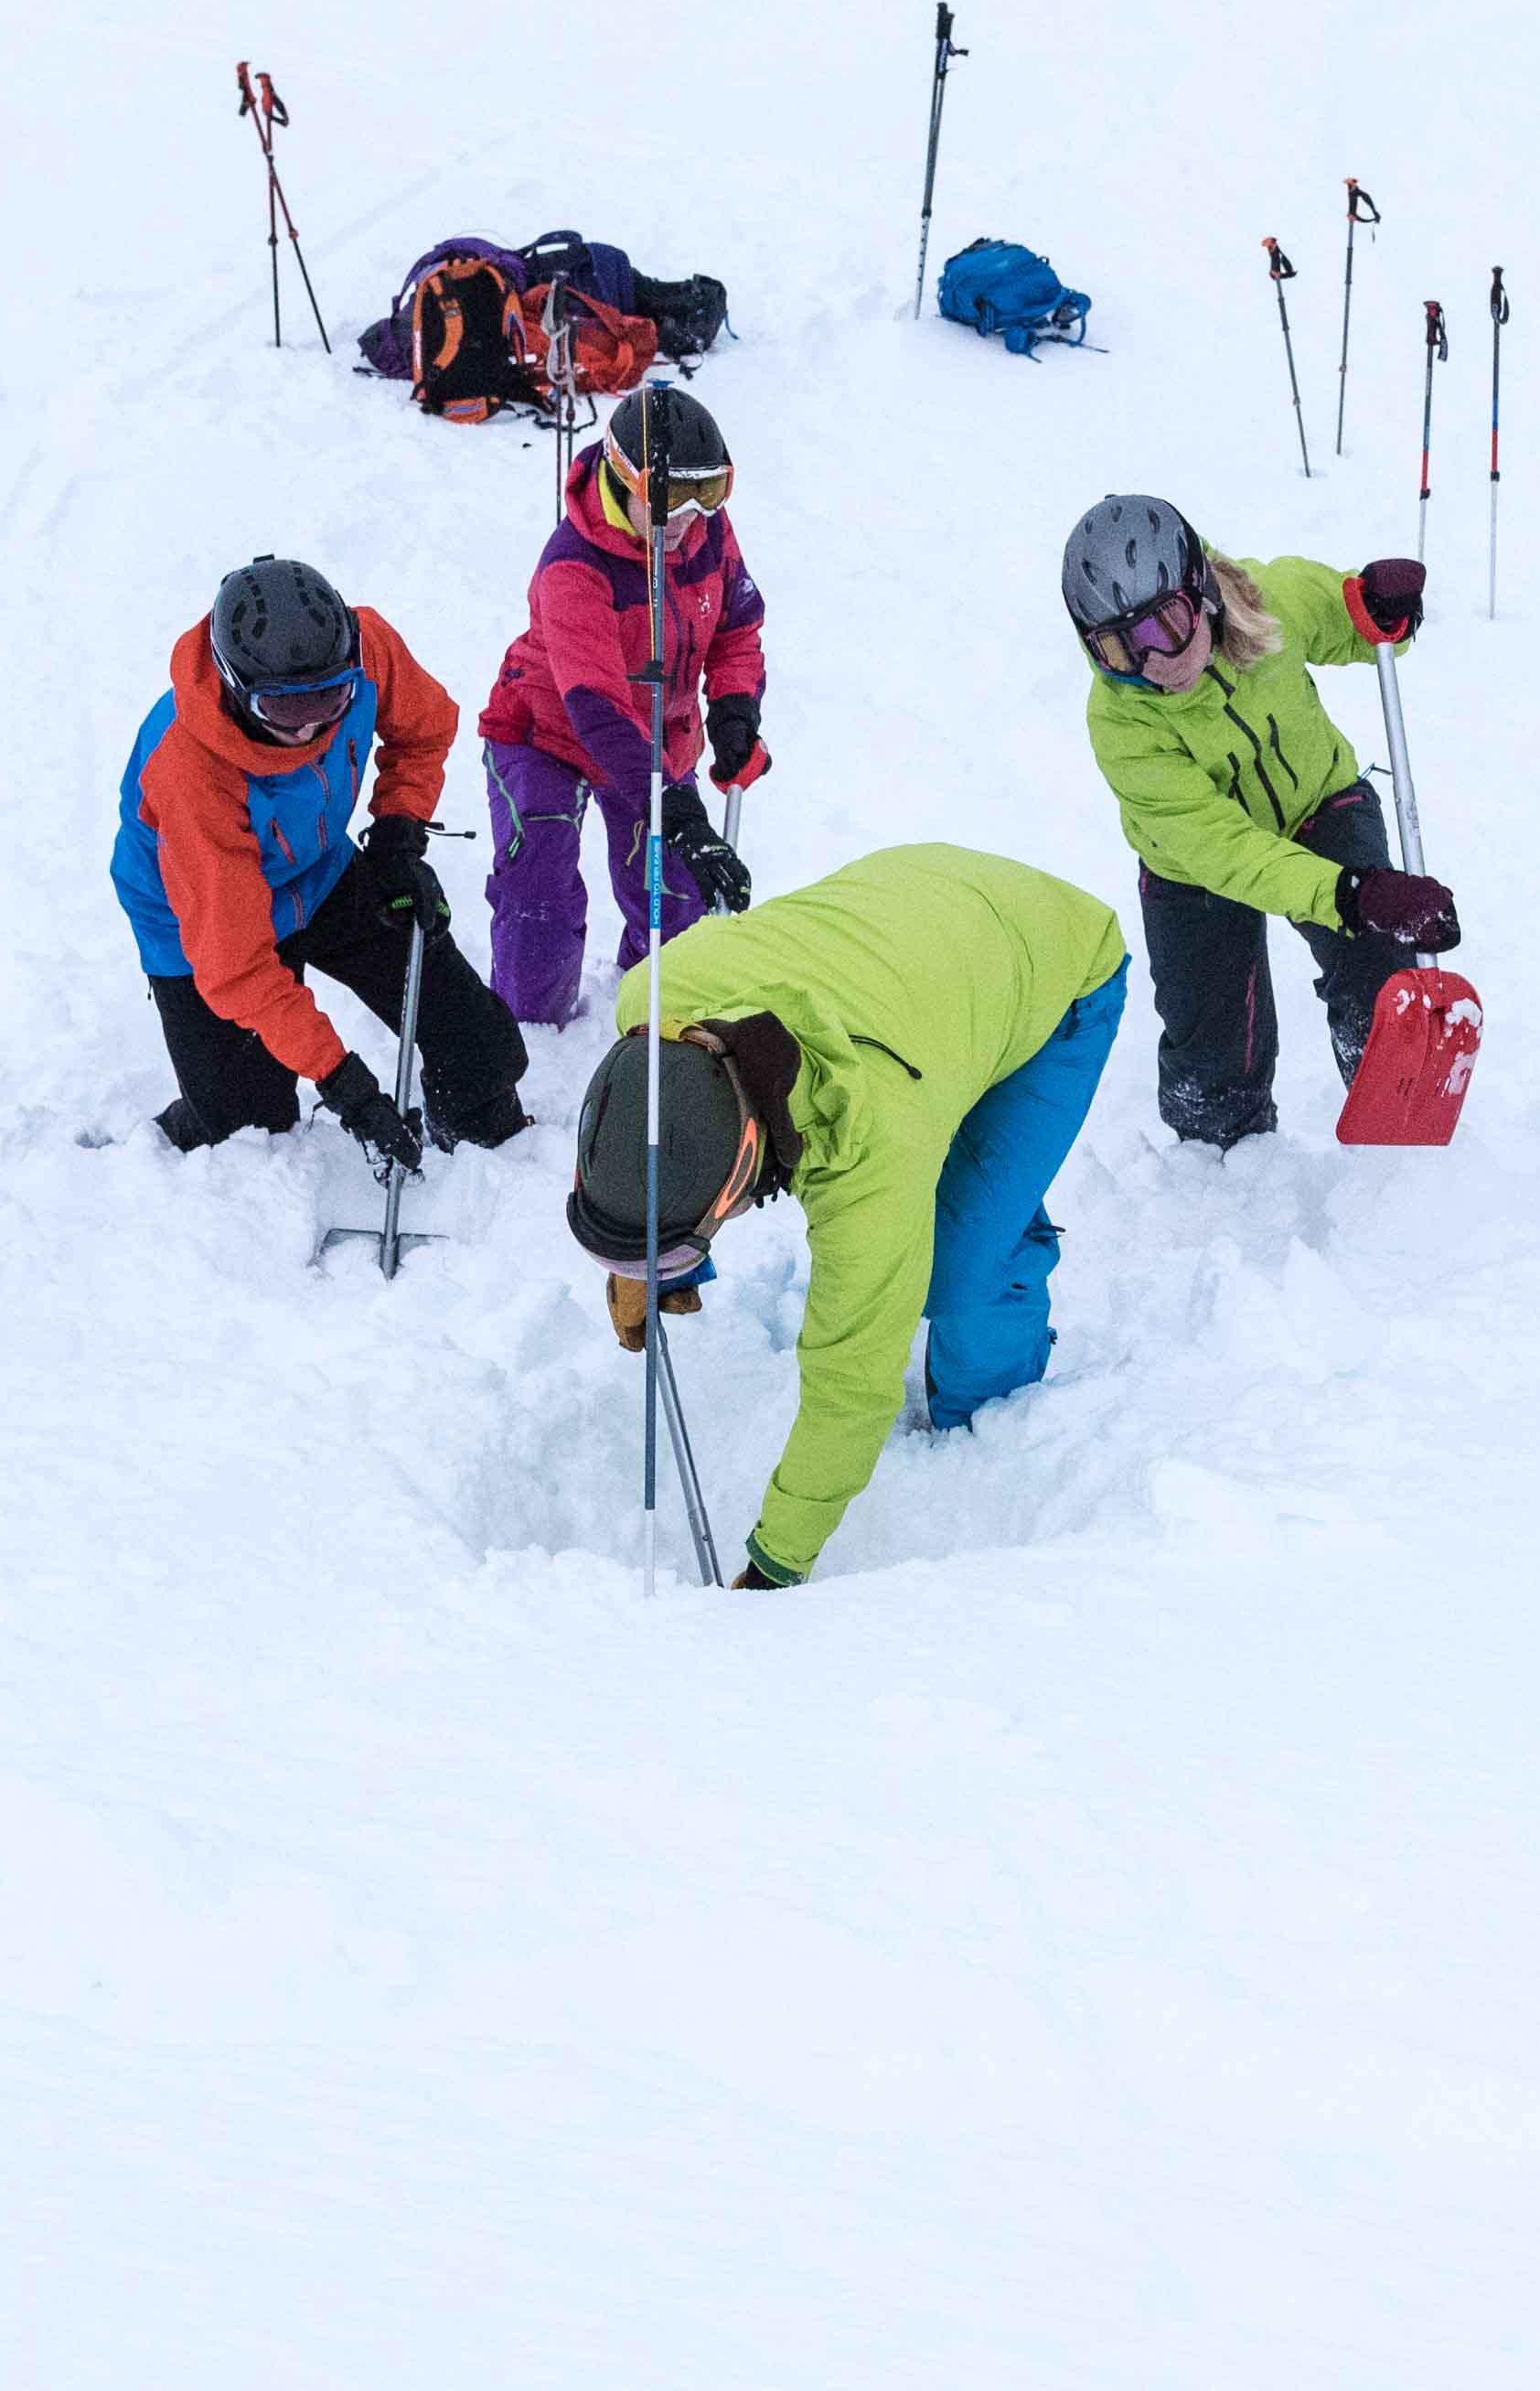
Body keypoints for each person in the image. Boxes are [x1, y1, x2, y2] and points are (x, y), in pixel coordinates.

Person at [560, 844, 1128, 1589]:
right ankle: (973, 1172)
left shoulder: (870, 1155)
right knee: (932, 1130)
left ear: (747, 1168)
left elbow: (849, 1384)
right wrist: (640, 1247)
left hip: (1058, 963)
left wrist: (776, 1560)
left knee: (956, 1269)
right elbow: (651, 1127)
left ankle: (993, 1404)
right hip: (910, 916)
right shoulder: (652, 1001)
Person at [1060, 495, 1460, 1147]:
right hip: (1194, 865)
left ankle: (1401, 1138)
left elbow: (1355, 620)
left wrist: (1384, 609)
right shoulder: (1120, 725)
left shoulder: (1269, 599)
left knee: (1378, 967)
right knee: (1213, 1047)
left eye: (1165, 625)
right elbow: (1223, 849)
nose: (1153, 663)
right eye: (1119, 647)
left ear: (1202, 591)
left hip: (1317, 804)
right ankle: (1220, 1170)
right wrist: (1349, 894)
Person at [113, 555, 525, 1163]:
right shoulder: (191, 773)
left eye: (330, 701)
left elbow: (425, 729)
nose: (309, 730)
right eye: (283, 710)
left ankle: (473, 1131)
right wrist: (343, 1082)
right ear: (236, 688)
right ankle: (187, 1125)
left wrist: (397, 834)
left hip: (317, 868)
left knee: (477, 1046)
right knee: (252, 1129)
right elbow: (238, 967)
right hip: (193, 916)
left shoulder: (366, 650)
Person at [475, 388, 765, 1024]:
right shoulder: (573, 568)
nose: (692, 514)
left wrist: (735, 710)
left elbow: (737, 625)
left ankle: (647, 996)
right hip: (547, 731)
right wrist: (680, 805)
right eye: (672, 496)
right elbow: (599, 707)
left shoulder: (704, 535)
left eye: (710, 492)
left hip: (658, 735)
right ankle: (530, 1030)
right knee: (540, 887)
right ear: (621, 475)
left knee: (672, 890)